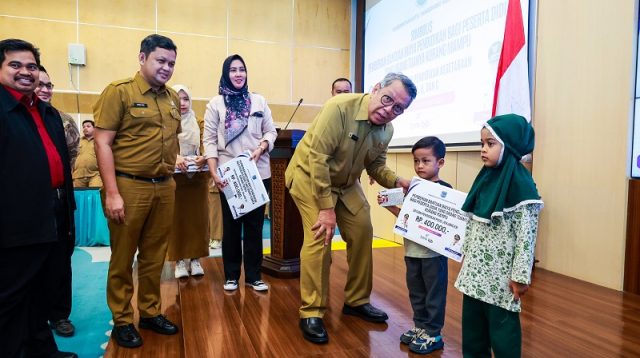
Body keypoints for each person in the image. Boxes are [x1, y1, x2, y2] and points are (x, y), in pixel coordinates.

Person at [285, 72, 417, 344]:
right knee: (319, 236)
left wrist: (397, 180)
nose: (389, 109)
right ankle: (312, 311)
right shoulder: (339, 107)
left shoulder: (387, 129)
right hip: (310, 176)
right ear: (376, 88)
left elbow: (376, 166)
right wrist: (325, 208)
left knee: (363, 229)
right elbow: (317, 160)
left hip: (345, 183)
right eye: (387, 99)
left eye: (398, 108)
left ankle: (356, 301)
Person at [93, 34, 181, 348]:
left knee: (155, 257)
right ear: (142, 58)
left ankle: (150, 312)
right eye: (160, 60)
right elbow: (102, 142)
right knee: (122, 257)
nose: (167, 68)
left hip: (164, 187)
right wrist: (112, 192)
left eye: (171, 63)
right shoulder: (119, 93)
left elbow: (170, 142)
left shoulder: (172, 97)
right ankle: (121, 320)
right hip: (129, 186)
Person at [0, 38, 77, 358]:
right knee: (12, 298)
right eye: (15, 65)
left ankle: (43, 351)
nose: (25, 72)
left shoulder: (46, 112)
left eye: (31, 66)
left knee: (41, 291)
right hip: (17, 219)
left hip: (55, 212)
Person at [454, 114, 543, 357]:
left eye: (490, 144)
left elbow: (527, 238)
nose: (483, 150)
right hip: (475, 274)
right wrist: (466, 254)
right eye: (482, 143)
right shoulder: (484, 179)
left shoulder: (524, 189)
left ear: (509, 145)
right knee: (473, 333)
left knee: (503, 336)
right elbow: (472, 221)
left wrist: (520, 276)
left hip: (502, 279)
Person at [204, 54, 277, 292]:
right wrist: (214, 173)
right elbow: (210, 140)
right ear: (226, 74)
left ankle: (254, 276)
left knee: (255, 228)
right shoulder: (216, 103)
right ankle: (231, 276)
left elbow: (271, 132)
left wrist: (261, 147)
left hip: (258, 173)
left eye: (242, 70)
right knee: (232, 227)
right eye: (233, 70)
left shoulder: (259, 101)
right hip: (230, 174)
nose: (238, 74)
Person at [377, 136, 450, 354]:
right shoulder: (412, 190)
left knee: (433, 294)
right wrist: (389, 207)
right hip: (412, 251)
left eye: (426, 161)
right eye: (416, 161)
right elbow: (408, 221)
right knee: (416, 292)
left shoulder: (445, 191)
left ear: (440, 162)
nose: (419, 166)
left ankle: (434, 333)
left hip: (433, 256)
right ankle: (420, 327)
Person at [34, 65, 80, 338]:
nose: (45, 89)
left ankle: (60, 315)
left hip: (61, 201)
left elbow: (71, 157)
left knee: (62, 261)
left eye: (49, 85)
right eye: (40, 84)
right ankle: (34, 317)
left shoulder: (61, 120)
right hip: (29, 206)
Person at [168, 84, 210, 279]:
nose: (182, 103)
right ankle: (179, 261)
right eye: (178, 98)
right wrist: (174, 157)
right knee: (177, 220)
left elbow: (209, 143)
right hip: (175, 180)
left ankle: (195, 259)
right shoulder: (167, 123)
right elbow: (161, 146)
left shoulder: (199, 122)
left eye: (186, 99)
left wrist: (205, 156)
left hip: (197, 179)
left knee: (198, 220)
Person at [73, 119, 102, 187]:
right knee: (79, 197)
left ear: (94, 129)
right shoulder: (77, 141)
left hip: (95, 175)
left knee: (95, 195)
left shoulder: (99, 141)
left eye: (88, 126)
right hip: (78, 175)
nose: (85, 128)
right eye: (83, 127)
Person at [208, 182, 224, 249]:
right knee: (211, 212)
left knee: (216, 212)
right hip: (208, 183)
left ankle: (217, 238)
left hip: (217, 183)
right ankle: (212, 237)